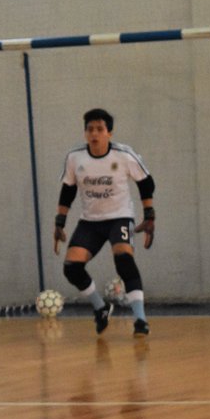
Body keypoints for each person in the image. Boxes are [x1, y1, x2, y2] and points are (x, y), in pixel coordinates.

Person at [53, 107, 156, 337]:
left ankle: (140, 319)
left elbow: (146, 182)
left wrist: (149, 215)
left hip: (119, 217)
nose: (94, 134)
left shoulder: (123, 155)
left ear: (109, 132)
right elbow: (68, 190)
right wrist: (60, 221)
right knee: (71, 268)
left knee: (123, 260)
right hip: (90, 221)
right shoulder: (75, 157)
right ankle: (100, 307)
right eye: (90, 129)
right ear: (85, 133)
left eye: (100, 129)